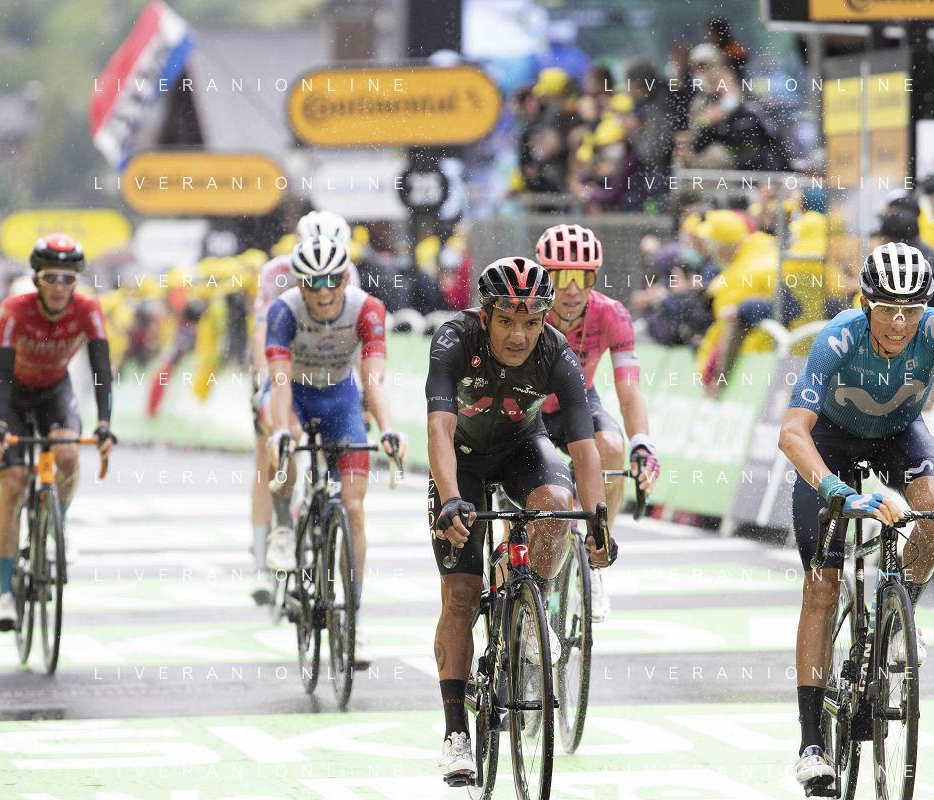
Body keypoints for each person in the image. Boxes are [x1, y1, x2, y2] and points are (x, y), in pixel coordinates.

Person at [777, 242, 934, 791]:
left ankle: (898, 618)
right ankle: (810, 744)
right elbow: (792, 432)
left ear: (926, 308)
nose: (900, 323)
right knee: (822, 588)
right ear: (866, 303)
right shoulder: (839, 336)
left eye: (911, 310)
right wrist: (834, 489)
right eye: (888, 309)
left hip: (898, 434)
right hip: (830, 442)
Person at [425, 256, 614, 784]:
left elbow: (583, 446)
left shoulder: (557, 351)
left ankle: (530, 611)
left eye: (531, 322)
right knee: (461, 596)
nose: (519, 335)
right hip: (461, 461)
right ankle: (456, 735)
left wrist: (598, 521)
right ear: (485, 315)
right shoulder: (453, 340)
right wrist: (449, 498)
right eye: (507, 320)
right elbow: (439, 429)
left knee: (557, 503)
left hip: (520, 448)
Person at [262, 235, 408, 667]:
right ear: (299, 284)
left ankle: (354, 620)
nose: (323, 291)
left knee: (354, 509)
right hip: (294, 395)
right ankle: (283, 527)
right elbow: (279, 383)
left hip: (341, 399)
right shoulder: (283, 311)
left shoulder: (367, 309)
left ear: (346, 278)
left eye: (332, 280)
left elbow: (373, 381)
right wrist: (282, 431)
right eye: (312, 282)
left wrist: (387, 428)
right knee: (283, 442)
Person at [0, 233, 118, 631]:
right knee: (13, 484)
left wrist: (104, 423)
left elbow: (101, 370)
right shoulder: (14, 309)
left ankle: (57, 522)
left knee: (67, 455)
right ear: (35, 279)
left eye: (68, 278)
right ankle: (5, 593)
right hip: (13, 395)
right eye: (50, 278)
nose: (59, 287)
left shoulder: (89, 309)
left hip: (54, 393)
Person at [534, 224, 660, 621]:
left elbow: (629, 389)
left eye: (583, 276)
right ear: (544, 276)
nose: (572, 289)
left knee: (613, 446)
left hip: (577, 402)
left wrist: (643, 442)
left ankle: (595, 552)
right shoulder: (527, 310)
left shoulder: (612, 314)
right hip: (527, 407)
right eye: (561, 277)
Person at [248, 211, 358, 604]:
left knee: (333, 448)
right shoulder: (276, 272)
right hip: (278, 368)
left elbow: (354, 338)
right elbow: (262, 333)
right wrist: (265, 383)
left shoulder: (348, 273)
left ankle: (318, 512)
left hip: (325, 374)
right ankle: (263, 555)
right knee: (272, 450)